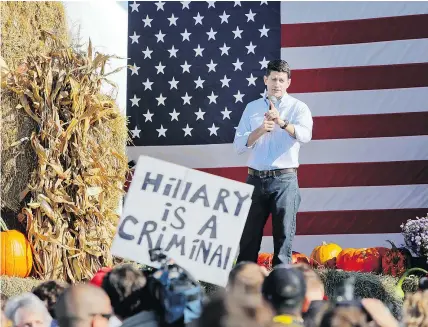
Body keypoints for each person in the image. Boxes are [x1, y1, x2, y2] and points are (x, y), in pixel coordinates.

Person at [234, 59, 313, 266]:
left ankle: (280, 286)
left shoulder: (298, 108)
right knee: (248, 236)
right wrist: (261, 129)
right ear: (265, 80)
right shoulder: (252, 108)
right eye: (273, 79)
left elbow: (305, 136)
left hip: (284, 180)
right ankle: (244, 285)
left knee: (283, 237)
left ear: (288, 82)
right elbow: (239, 145)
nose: (276, 84)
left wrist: (282, 122)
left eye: (281, 80)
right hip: (255, 179)